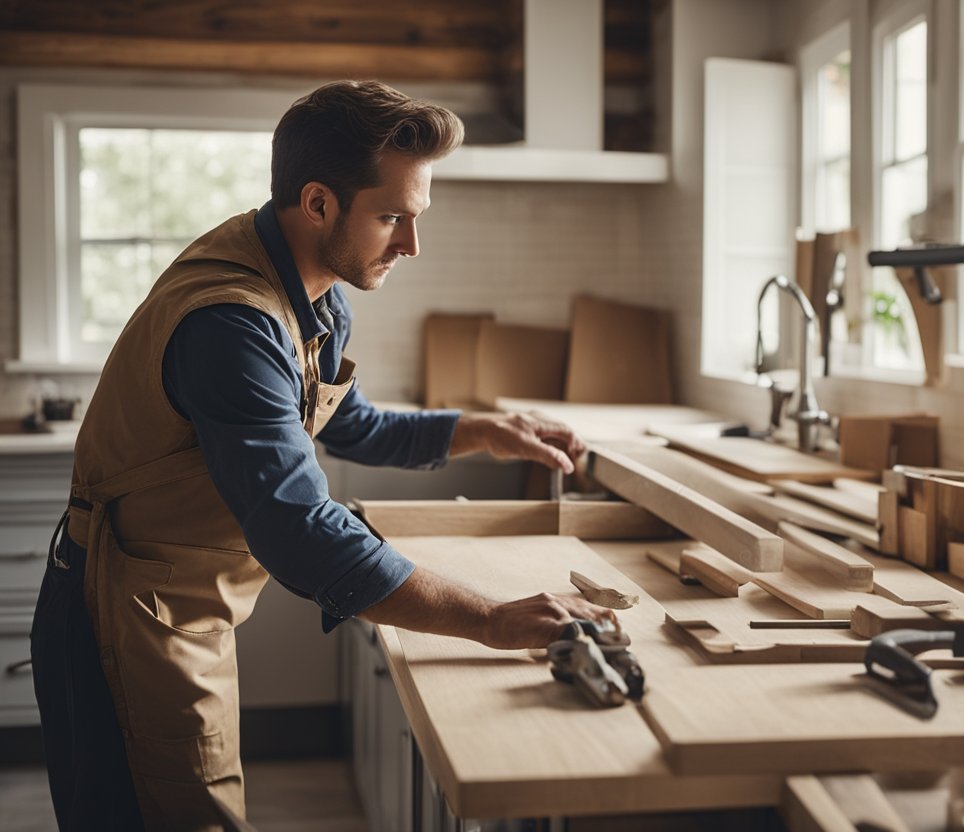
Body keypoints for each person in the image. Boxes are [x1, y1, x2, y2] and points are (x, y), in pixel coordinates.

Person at [30, 80, 613, 831]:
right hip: (123, 618)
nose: (410, 245)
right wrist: (490, 619)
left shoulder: (312, 293)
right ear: (318, 204)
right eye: (392, 218)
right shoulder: (232, 326)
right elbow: (300, 532)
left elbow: (351, 424)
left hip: (176, 604)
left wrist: (483, 430)